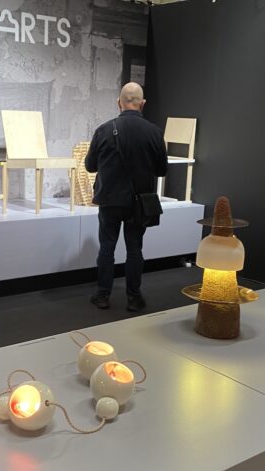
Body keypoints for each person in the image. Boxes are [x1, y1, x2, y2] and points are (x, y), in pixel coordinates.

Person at [85, 82, 168, 312]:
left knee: (106, 248)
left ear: (118, 103)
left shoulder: (103, 130)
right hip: (139, 202)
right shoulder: (154, 132)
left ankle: (103, 295)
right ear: (143, 104)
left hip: (110, 200)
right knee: (134, 249)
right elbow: (162, 170)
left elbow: (90, 166)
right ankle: (133, 298)